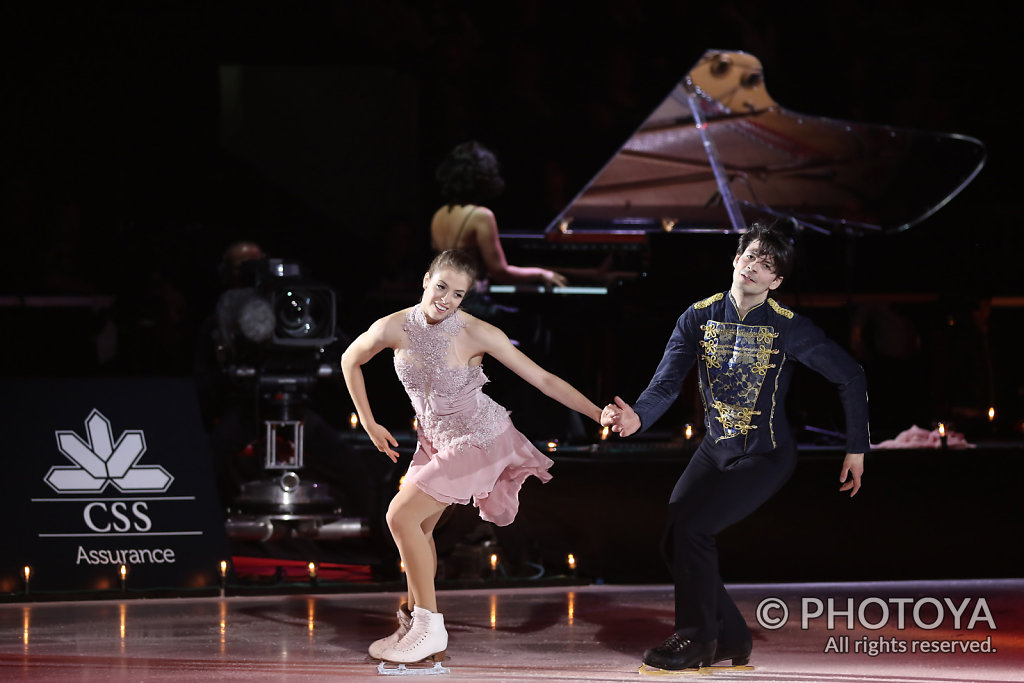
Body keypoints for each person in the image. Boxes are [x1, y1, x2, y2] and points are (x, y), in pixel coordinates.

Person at [601, 224, 869, 671]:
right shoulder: (698, 317)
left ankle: (697, 639)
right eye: (751, 257)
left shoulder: (788, 327)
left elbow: (850, 374)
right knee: (675, 537)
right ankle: (733, 636)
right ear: (735, 259)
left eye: (767, 266)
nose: (754, 268)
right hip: (715, 449)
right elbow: (665, 385)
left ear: (776, 282)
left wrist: (855, 448)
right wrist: (637, 416)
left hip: (766, 454)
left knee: (693, 531)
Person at [340, 248, 602, 667]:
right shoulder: (394, 326)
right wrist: (369, 424)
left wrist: (596, 412)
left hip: (479, 437)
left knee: (400, 517)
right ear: (427, 280)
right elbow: (350, 358)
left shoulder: (477, 332)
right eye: (442, 287)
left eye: (458, 294)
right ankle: (417, 628)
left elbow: (543, 379)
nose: (446, 299)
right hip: (434, 441)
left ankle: (429, 626)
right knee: (418, 527)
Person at [431, 141, 567, 289]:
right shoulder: (481, 216)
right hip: (470, 299)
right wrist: (541, 273)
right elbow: (501, 272)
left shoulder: (439, 215)